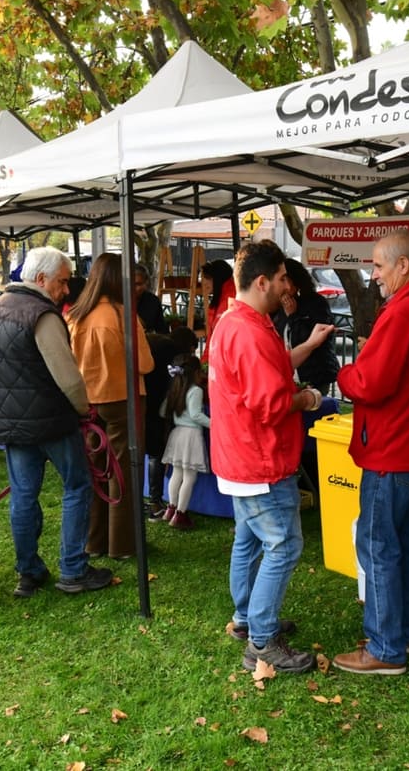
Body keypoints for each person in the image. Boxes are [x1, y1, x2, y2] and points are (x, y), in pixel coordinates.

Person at [331, 230, 409, 676]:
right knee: (403, 540)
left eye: (379, 266)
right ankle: (407, 632)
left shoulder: (406, 311)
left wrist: (346, 373)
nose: (374, 274)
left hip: (394, 446)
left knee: (378, 544)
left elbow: (371, 383)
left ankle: (386, 646)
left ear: (403, 265)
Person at [208, 240, 333, 674]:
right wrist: (310, 397)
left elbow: (270, 370)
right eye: (282, 278)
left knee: (250, 540)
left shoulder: (236, 321)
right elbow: (272, 402)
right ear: (261, 281)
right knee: (283, 545)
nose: (287, 285)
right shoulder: (247, 330)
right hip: (259, 460)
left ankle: (249, 620)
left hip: (240, 457)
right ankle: (261, 640)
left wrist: (308, 349)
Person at [0, 247, 114, 596]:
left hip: (11, 424)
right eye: (62, 282)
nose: (66, 290)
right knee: (77, 487)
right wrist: (84, 410)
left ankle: (29, 571)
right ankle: (73, 569)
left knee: (23, 495)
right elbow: (67, 377)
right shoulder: (43, 315)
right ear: (41, 280)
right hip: (52, 420)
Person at [68, 253, 155, 560]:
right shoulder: (122, 315)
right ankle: (123, 545)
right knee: (123, 472)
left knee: (96, 470)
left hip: (87, 402)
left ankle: (95, 542)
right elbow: (145, 363)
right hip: (123, 400)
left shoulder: (76, 315)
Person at [144, 326, 199, 521]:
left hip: (142, 398)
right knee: (156, 453)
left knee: (153, 454)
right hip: (153, 403)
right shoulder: (173, 353)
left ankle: (155, 503)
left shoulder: (158, 341)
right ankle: (155, 502)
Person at [160, 354, 211, 530]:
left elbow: (163, 411)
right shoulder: (196, 390)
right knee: (190, 477)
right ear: (196, 373)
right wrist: (216, 424)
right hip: (191, 436)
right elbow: (197, 415)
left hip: (177, 434)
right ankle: (181, 514)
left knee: (177, 474)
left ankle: (171, 508)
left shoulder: (175, 388)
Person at [273, 259, 339, 394]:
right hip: (288, 371)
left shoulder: (315, 303)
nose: (283, 286)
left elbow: (312, 339)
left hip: (315, 373)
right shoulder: (278, 307)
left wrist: (293, 316)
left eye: (286, 280)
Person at [201, 258, 235, 341]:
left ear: (218, 278)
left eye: (208, 278)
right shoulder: (220, 298)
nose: (204, 282)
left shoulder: (230, 301)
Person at [134, 263, 170, 335]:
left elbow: (161, 330)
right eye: (131, 284)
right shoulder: (119, 300)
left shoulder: (152, 301)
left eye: (139, 284)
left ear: (146, 283)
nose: (135, 288)